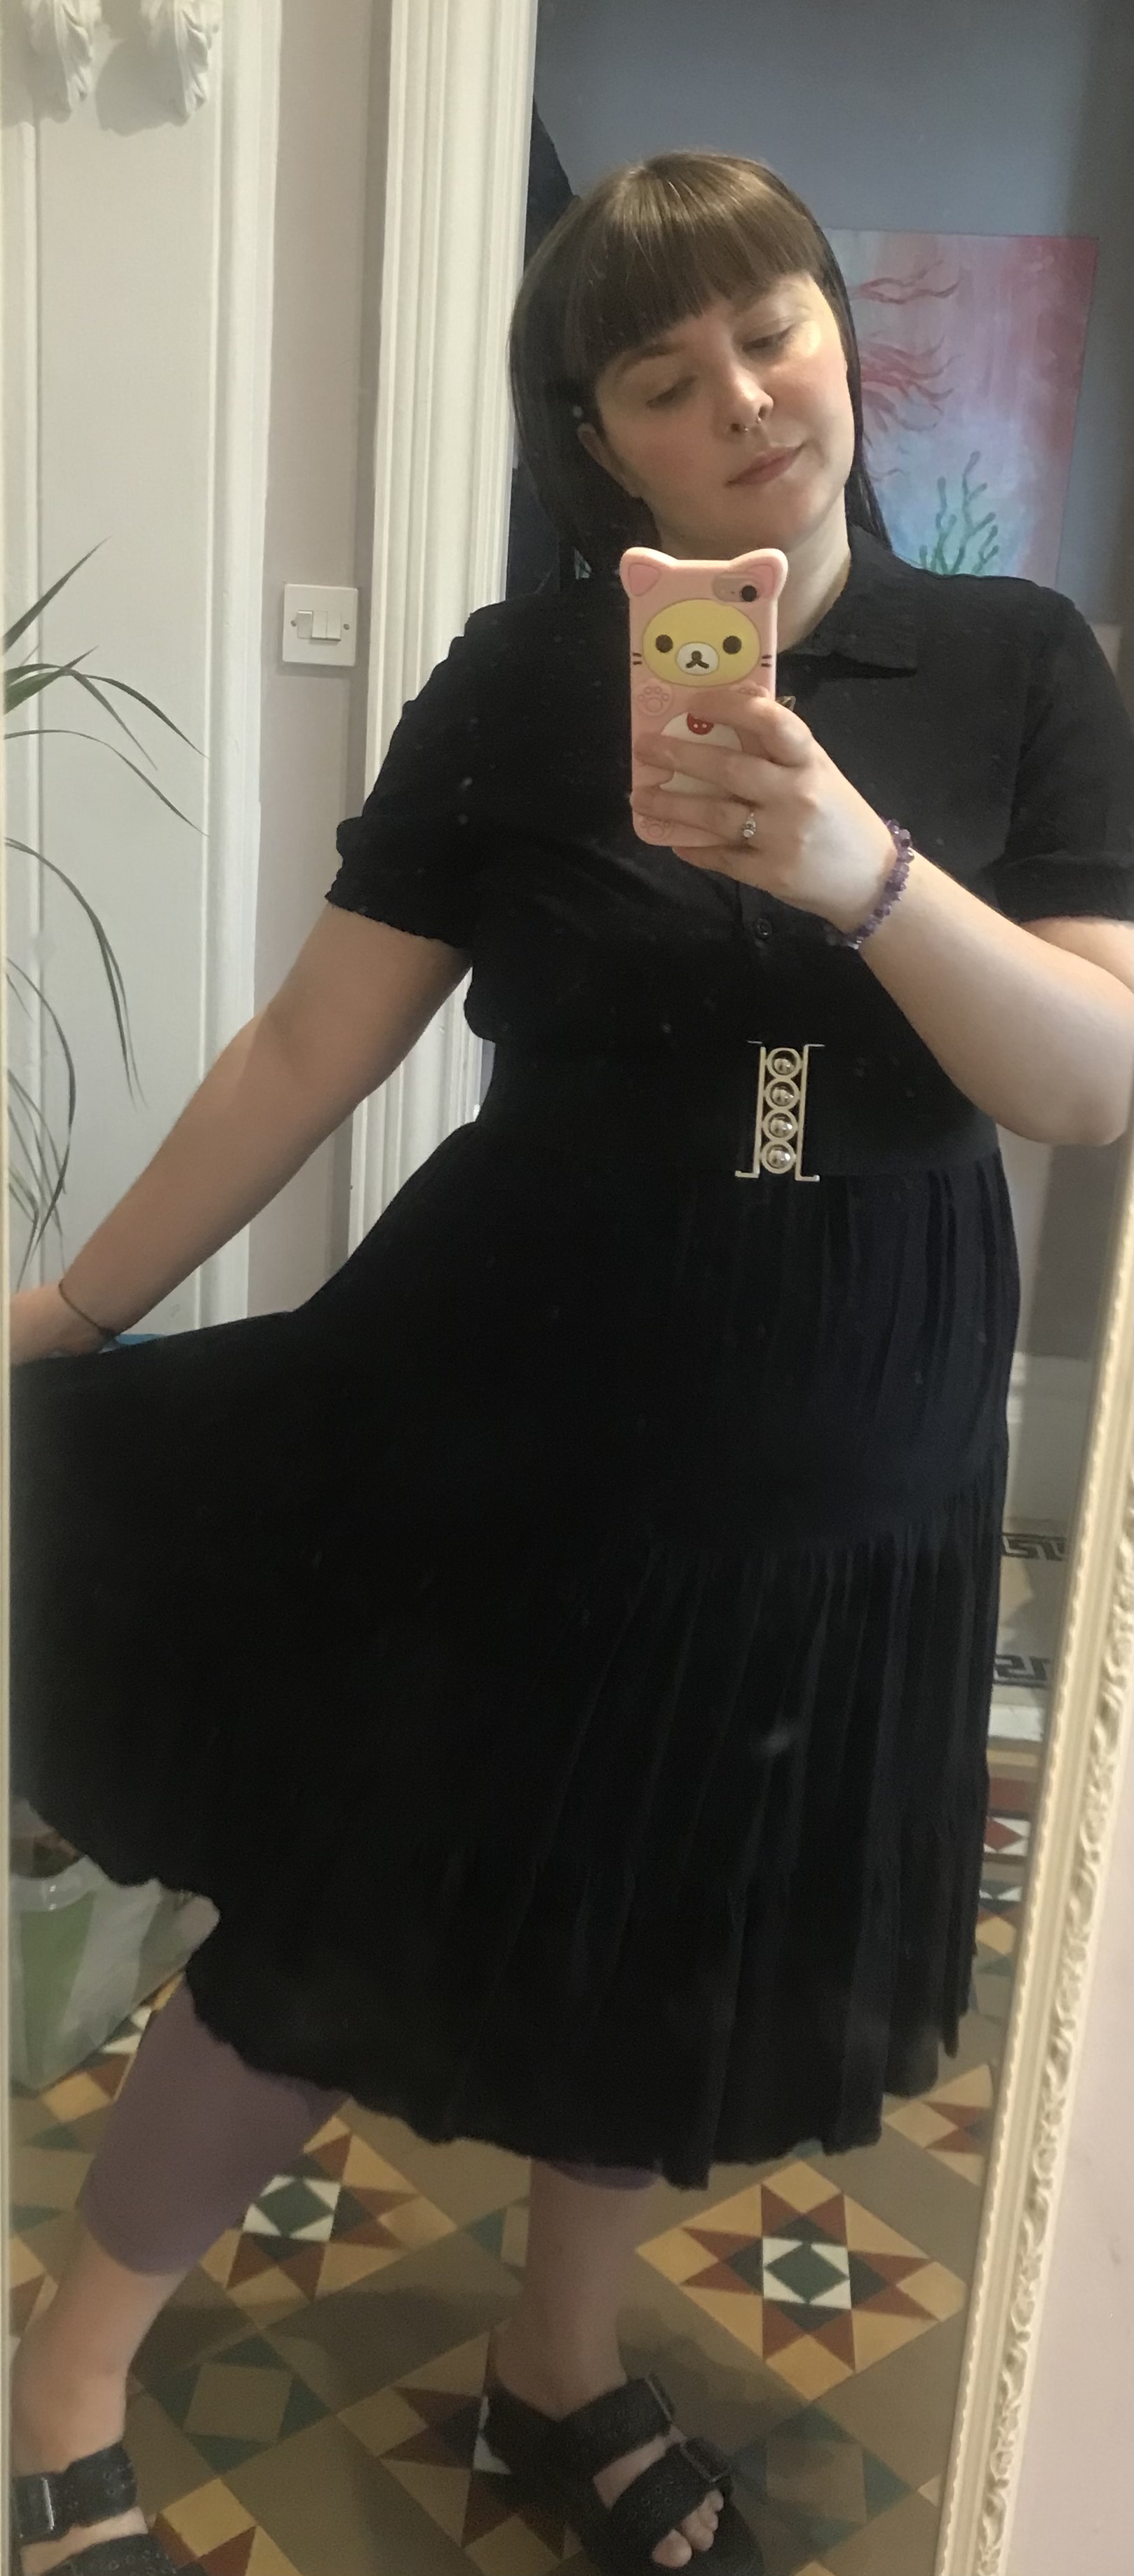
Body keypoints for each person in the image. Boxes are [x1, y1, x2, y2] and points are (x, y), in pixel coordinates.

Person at [8, 151, 1134, 2576]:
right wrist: (69, 1309)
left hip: (860, 1423)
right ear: (597, 440)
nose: (743, 397)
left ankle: (557, 2360)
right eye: (662, 375)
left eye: (770, 328)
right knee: (341, 1910)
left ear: (838, 328)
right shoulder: (528, 680)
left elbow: (1084, 1076)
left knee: (681, 1923)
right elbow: (310, 1042)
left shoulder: (1021, 659)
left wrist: (860, 873)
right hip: (519, 1391)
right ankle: (65, 2373)